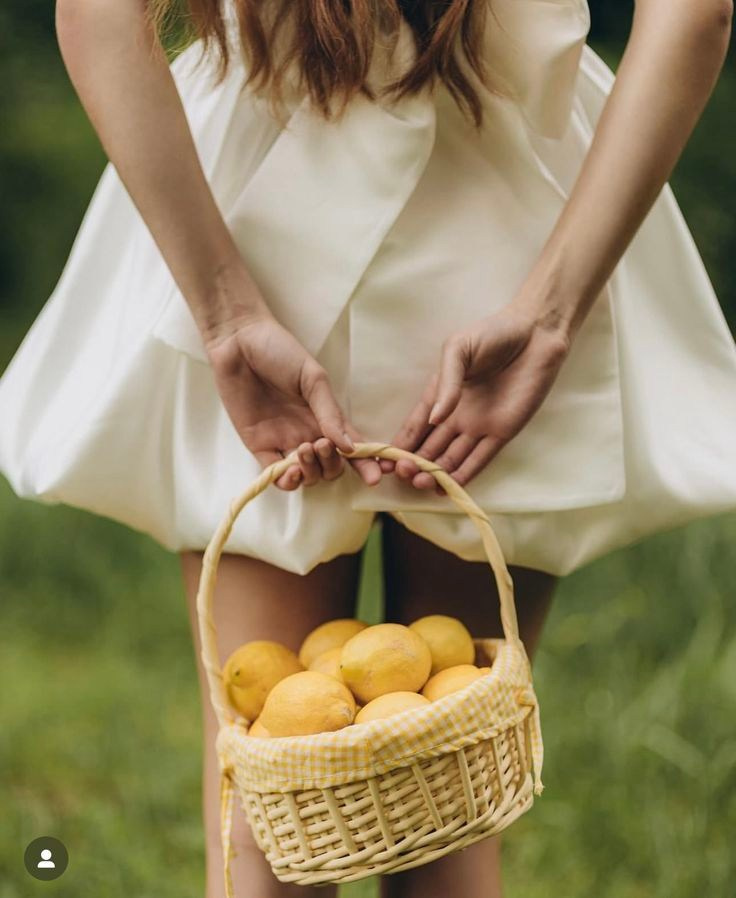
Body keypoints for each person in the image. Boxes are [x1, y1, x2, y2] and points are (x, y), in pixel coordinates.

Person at [1, 0, 735, 895]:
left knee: (276, 804)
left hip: (252, 214)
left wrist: (225, 311)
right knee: (448, 791)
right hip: (513, 217)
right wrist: (551, 310)